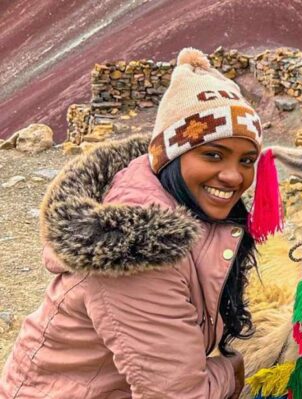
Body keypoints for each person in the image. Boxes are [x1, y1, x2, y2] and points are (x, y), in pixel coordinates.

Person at [0, 48, 280, 398]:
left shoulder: (183, 204)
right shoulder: (138, 250)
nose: (233, 176)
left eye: (247, 160)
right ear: (171, 155)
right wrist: (233, 371)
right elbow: (179, 395)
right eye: (213, 154)